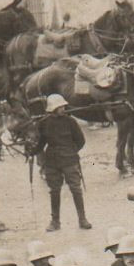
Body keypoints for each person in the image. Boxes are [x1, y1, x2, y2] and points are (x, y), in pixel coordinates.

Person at [36, 93, 90, 231]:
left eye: (63, 106)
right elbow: (41, 144)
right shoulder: (43, 123)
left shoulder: (70, 122)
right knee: (54, 191)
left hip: (69, 160)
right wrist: (32, 151)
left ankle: (82, 219)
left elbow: (81, 141)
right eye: (60, 107)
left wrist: (71, 151)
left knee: (76, 189)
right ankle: (55, 222)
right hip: (52, 162)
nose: (63, 109)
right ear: (53, 108)